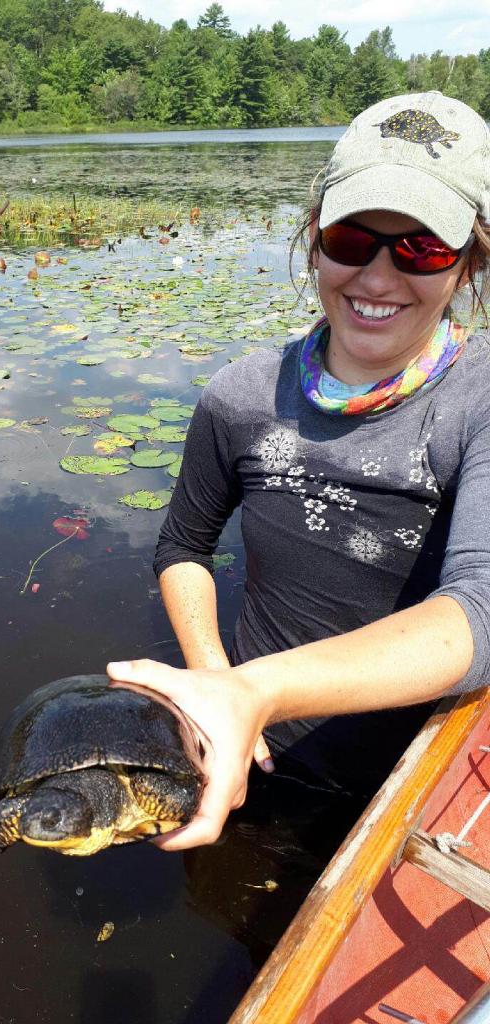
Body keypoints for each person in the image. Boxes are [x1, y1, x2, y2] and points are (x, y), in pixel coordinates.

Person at [107, 90, 490, 851]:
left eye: (422, 249)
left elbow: (480, 609)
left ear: (471, 260)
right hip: (249, 744)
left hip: (408, 776)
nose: (378, 278)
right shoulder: (240, 397)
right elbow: (183, 546)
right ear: (314, 239)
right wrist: (218, 683)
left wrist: (255, 691)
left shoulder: (478, 403)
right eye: (353, 239)